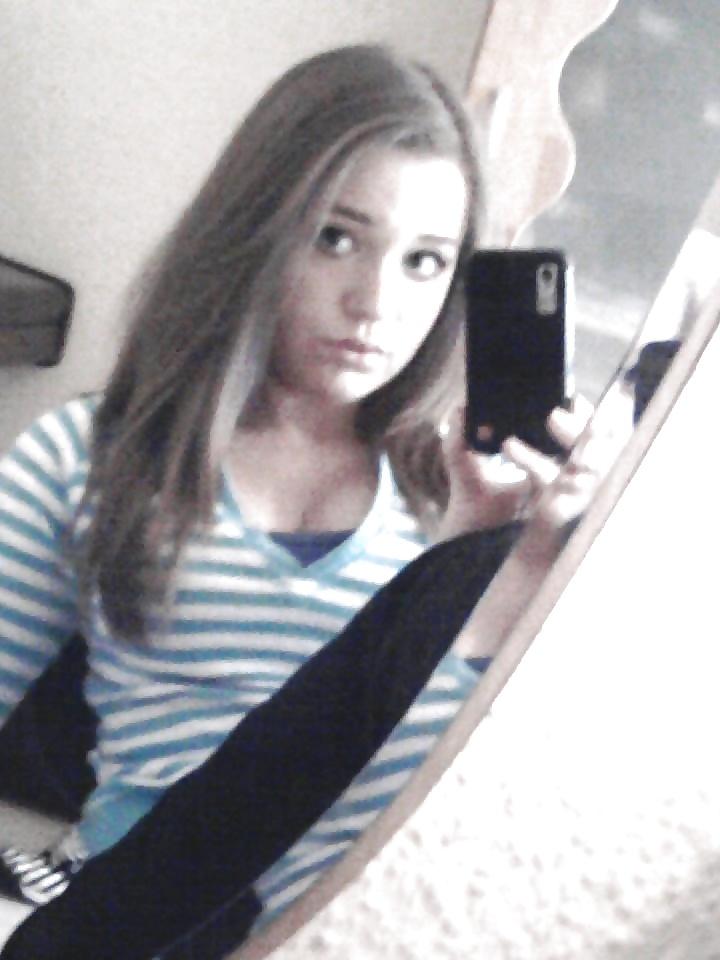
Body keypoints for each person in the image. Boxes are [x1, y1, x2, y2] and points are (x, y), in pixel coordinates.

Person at [0, 44, 590, 958]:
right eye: (335, 239)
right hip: (142, 918)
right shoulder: (93, 457)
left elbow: (438, 805)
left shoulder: (456, 497)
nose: (374, 303)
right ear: (256, 230)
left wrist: (485, 554)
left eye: (425, 261)